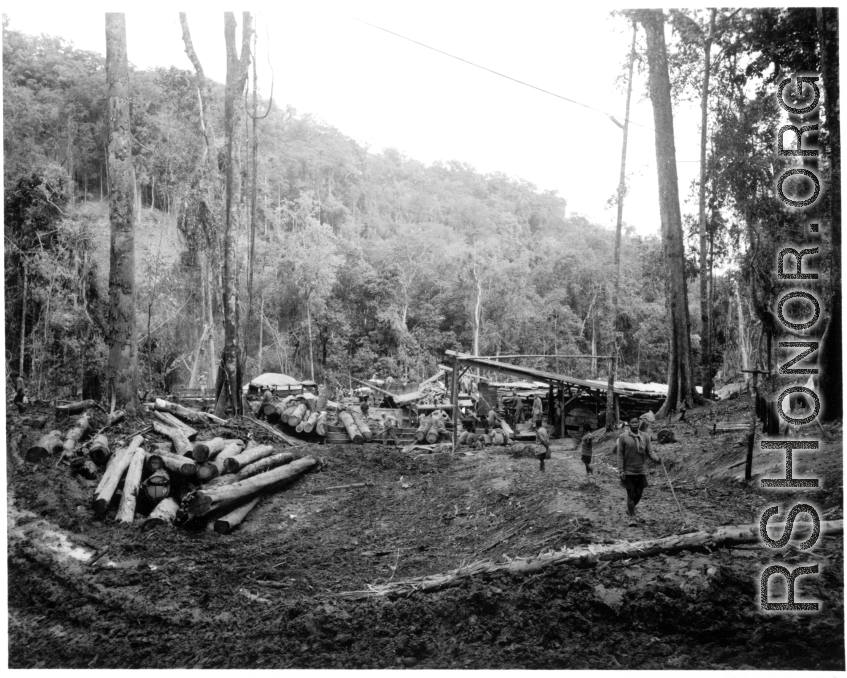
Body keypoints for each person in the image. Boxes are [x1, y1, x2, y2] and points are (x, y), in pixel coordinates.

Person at [617, 416, 661, 528]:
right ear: (629, 424)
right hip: (628, 471)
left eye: (636, 422)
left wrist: (657, 459)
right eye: (633, 422)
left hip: (640, 470)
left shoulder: (645, 436)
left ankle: (630, 509)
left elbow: (650, 451)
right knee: (630, 494)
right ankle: (631, 517)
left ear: (639, 423)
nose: (635, 424)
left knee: (639, 493)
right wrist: (621, 470)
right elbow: (620, 455)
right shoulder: (623, 437)